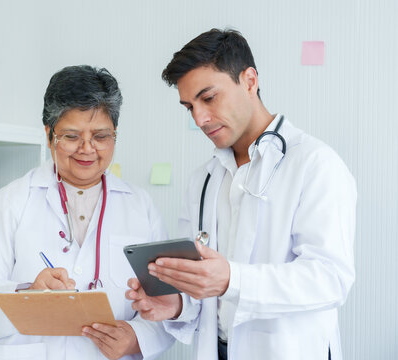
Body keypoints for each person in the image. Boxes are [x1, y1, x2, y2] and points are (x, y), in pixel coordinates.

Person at [126, 29, 356, 360]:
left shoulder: (315, 164)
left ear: (249, 81)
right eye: (189, 107)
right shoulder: (203, 179)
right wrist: (175, 303)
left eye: (208, 98)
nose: (200, 119)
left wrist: (233, 279)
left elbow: (329, 278)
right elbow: (205, 284)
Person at [0, 65, 174, 360]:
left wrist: (136, 338)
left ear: (114, 135)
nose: (87, 149)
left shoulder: (140, 207)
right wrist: (27, 293)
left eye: (100, 136)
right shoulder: (10, 202)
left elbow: (170, 305)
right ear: (49, 135)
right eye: (71, 136)